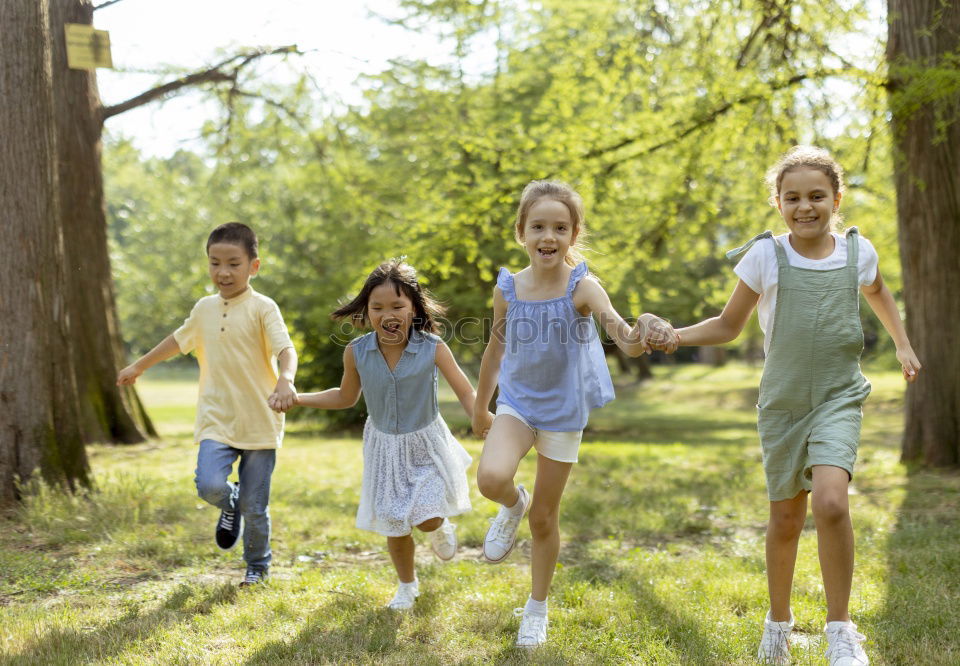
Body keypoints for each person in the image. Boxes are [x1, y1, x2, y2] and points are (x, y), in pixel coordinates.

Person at [647, 146, 920, 665]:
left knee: (833, 503)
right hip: (783, 405)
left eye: (817, 196)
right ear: (778, 203)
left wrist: (902, 344)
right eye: (792, 197)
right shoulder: (764, 256)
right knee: (786, 519)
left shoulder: (858, 252)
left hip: (839, 397)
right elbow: (729, 326)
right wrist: (674, 336)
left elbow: (880, 292)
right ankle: (778, 624)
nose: (805, 206)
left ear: (836, 199)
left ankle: (840, 629)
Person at [472, 180, 677, 648]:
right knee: (490, 478)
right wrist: (482, 406)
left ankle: (536, 608)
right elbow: (495, 349)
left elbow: (623, 337)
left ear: (573, 233)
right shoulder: (509, 287)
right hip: (518, 404)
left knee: (545, 518)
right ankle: (511, 504)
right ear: (521, 232)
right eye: (539, 226)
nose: (549, 236)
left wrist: (646, 325)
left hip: (564, 412)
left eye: (560, 228)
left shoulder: (583, 286)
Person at [117, 222, 298, 587]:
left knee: (256, 507)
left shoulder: (263, 307)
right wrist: (139, 365)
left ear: (254, 266)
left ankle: (257, 567)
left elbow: (285, 349)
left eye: (233, 263)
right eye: (215, 263)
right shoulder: (204, 309)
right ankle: (229, 504)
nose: (223, 272)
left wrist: (286, 379)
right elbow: (177, 341)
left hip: (260, 419)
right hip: (217, 417)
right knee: (210, 485)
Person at [291, 259, 477, 611]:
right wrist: (299, 398)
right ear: (367, 311)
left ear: (413, 309)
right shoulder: (357, 352)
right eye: (377, 307)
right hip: (384, 448)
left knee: (427, 516)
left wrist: (480, 416)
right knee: (394, 522)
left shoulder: (432, 347)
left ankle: (440, 526)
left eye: (397, 306)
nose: (387, 313)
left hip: (425, 443)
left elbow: (466, 391)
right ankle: (407, 586)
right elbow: (346, 397)